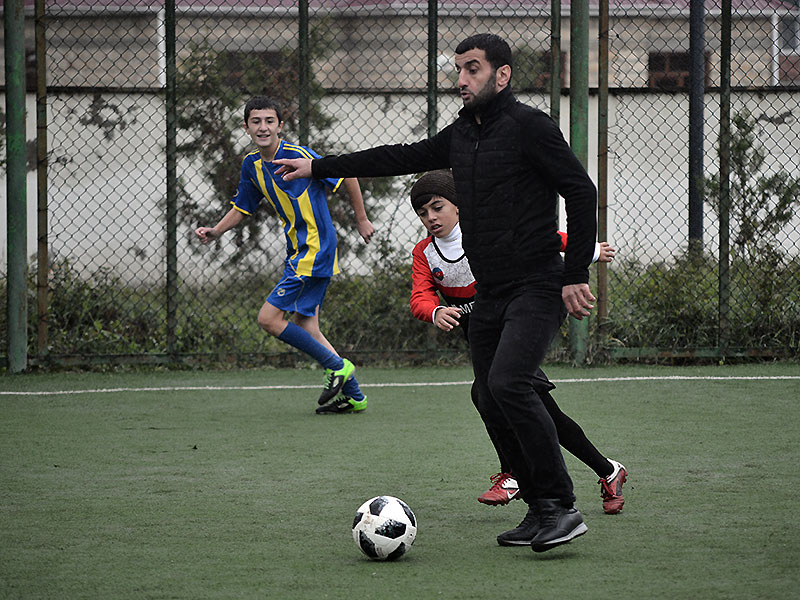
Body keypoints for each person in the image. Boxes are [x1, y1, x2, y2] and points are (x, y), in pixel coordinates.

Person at [275, 33, 602, 552]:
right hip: (492, 292)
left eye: (473, 69)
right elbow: (397, 156)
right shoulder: (462, 135)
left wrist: (575, 272)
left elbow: (581, 192)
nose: (461, 79)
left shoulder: (530, 127)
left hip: (538, 283)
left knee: (510, 383)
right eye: (458, 69)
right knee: (488, 393)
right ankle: (540, 509)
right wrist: (318, 166)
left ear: (502, 75)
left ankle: (561, 506)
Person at [408, 170, 627, 531]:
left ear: (459, 206)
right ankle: (607, 470)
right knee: (532, 407)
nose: (431, 217)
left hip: (518, 321)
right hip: (484, 334)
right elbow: (420, 294)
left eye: (437, 207)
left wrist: (588, 250)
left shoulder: (484, 230)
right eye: (423, 213)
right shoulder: (425, 253)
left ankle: (514, 474)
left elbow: (541, 238)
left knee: (490, 393)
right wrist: (434, 311)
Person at [196, 96, 375, 415]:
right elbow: (242, 207)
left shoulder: (298, 155)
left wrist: (361, 219)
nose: (263, 127)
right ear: (246, 127)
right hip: (299, 251)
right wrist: (216, 231)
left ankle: (337, 366)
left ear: (280, 125)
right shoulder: (252, 165)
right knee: (306, 326)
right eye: (256, 121)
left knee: (268, 319)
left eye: (269, 121)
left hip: (316, 248)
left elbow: (347, 173)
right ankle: (354, 396)